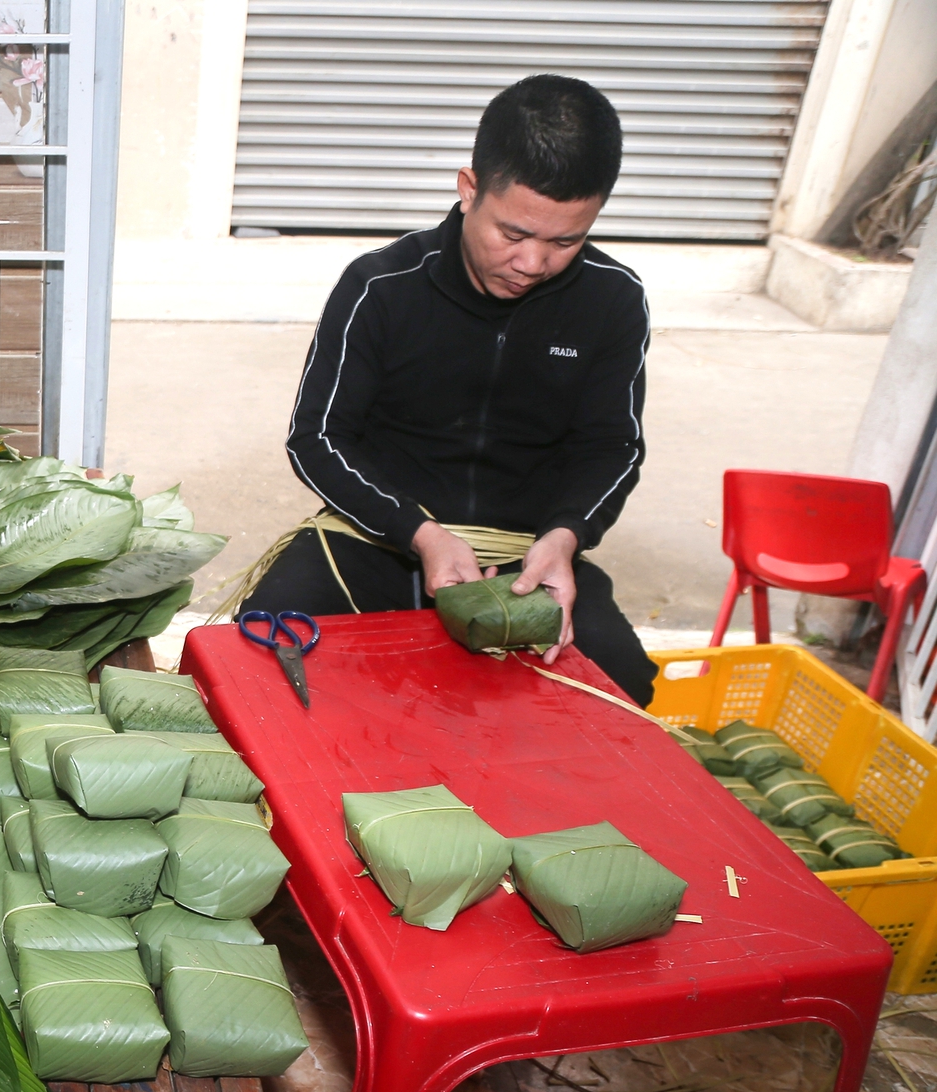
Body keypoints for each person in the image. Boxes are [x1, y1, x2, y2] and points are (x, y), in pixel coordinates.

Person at [239, 74, 656, 704]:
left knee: (624, 684)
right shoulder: (382, 286)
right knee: (263, 654)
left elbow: (612, 447)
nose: (533, 263)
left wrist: (564, 537)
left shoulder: (614, 300)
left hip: (525, 562)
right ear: (469, 190)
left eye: (565, 240)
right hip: (378, 541)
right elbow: (317, 440)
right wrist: (420, 533)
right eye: (513, 234)